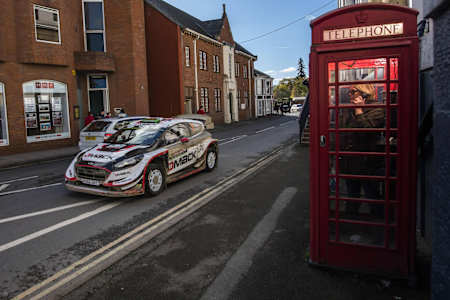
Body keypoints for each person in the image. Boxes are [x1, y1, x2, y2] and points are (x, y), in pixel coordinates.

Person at [340, 84, 385, 218]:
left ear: (364, 93)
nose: (349, 95)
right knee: (352, 194)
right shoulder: (349, 109)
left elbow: (367, 131)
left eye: (352, 92)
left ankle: (378, 225)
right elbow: (342, 132)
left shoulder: (377, 108)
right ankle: (350, 222)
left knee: (372, 194)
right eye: (349, 92)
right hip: (350, 160)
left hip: (367, 161)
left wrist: (359, 110)